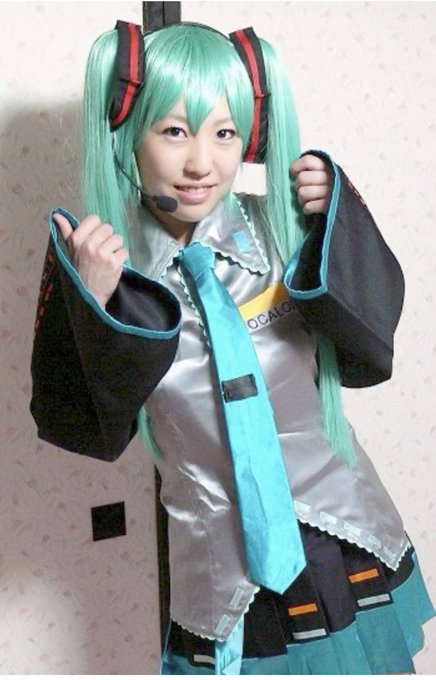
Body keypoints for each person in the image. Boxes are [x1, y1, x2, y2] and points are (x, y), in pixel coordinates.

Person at [30, 21, 434, 675]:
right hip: (222, 571)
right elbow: (81, 429)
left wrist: (337, 219)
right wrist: (93, 308)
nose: (202, 163)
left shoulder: (282, 229)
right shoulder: (110, 270)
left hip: (342, 529)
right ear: (128, 132)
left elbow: (370, 347)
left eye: (223, 133)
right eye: (174, 131)